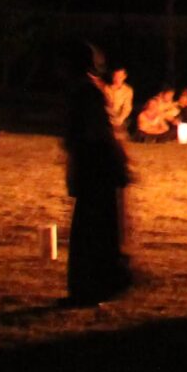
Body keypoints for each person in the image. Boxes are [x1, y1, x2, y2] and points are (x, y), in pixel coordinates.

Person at [62, 42, 134, 306]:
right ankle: (90, 287)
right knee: (93, 229)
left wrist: (81, 162)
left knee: (93, 230)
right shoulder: (88, 90)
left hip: (97, 167)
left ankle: (94, 287)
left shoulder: (88, 91)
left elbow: (98, 132)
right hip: (96, 166)